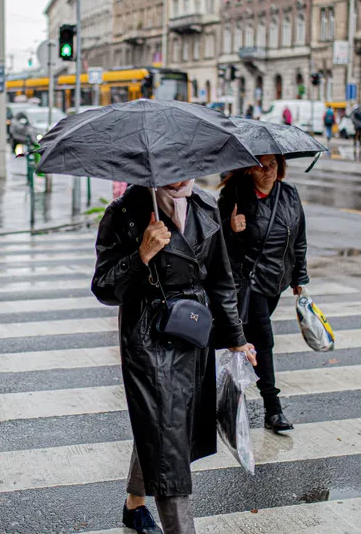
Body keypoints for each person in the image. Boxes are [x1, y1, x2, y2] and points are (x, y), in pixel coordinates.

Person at [93, 181, 256, 534]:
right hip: (148, 338)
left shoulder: (205, 205)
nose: (181, 175)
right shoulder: (123, 212)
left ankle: (134, 504)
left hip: (194, 331)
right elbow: (104, 286)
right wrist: (141, 256)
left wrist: (236, 339)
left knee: (162, 424)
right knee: (167, 438)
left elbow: (221, 281)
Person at [218, 153, 308, 435]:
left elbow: (299, 238)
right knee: (264, 339)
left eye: (273, 165)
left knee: (248, 341)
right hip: (247, 281)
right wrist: (230, 229)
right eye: (260, 165)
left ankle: (227, 397)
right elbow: (214, 242)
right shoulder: (234, 195)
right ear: (247, 169)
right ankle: (273, 408)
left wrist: (299, 277)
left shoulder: (289, 194)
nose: (267, 170)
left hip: (275, 281)